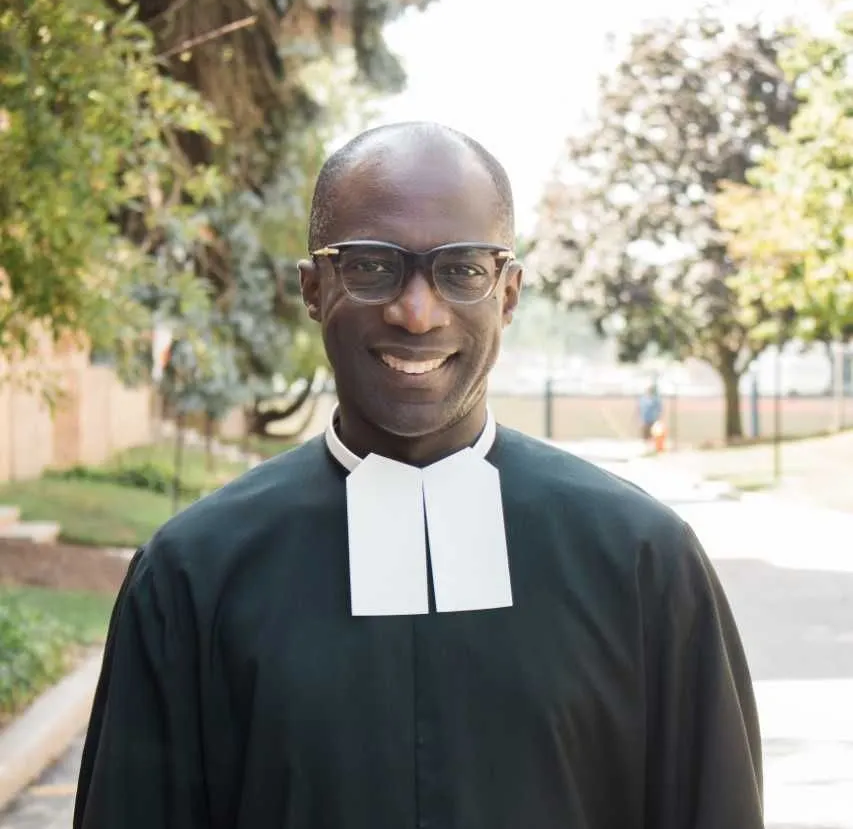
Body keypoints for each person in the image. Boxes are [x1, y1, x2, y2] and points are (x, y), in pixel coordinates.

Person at [73, 122, 763, 829]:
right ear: (313, 289)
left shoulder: (642, 561)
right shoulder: (193, 573)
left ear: (509, 293)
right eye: (371, 266)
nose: (415, 311)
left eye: (462, 269)